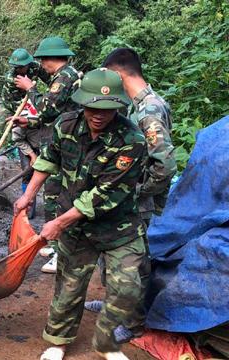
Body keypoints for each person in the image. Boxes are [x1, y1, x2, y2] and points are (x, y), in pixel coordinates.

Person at [13, 68, 147, 360]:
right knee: (69, 287)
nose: (99, 114)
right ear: (82, 101)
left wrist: (57, 223)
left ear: (120, 106)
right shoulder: (66, 124)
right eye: (93, 106)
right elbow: (49, 160)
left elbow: (102, 195)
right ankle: (59, 341)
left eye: (108, 108)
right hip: (76, 227)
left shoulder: (131, 139)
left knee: (127, 287)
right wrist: (27, 195)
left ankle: (105, 340)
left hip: (118, 225)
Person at [85, 48, 177, 343]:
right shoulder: (146, 103)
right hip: (130, 200)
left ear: (120, 75)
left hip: (136, 202)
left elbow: (164, 166)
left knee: (132, 262)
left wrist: (139, 192)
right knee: (115, 257)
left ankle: (133, 321)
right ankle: (117, 307)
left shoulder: (147, 110)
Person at [12, 37, 80, 273]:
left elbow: (48, 108)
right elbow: (52, 114)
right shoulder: (64, 76)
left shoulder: (65, 77)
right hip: (59, 144)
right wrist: (28, 121)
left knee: (60, 197)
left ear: (50, 59)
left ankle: (61, 252)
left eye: (43, 60)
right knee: (52, 194)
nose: (43, 65)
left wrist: (30, 88)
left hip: (68, 147)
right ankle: (54, 245)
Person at [0, 48, 50, 153]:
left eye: (21, 67)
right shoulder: (12, 77)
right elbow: (17, 101)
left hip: (28, 101)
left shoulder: (36, 67)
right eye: (16, 67)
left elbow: (49, 80)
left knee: (39, 123)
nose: (18, 69)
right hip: (9, 104)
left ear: (28, 64)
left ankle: (35, 149)